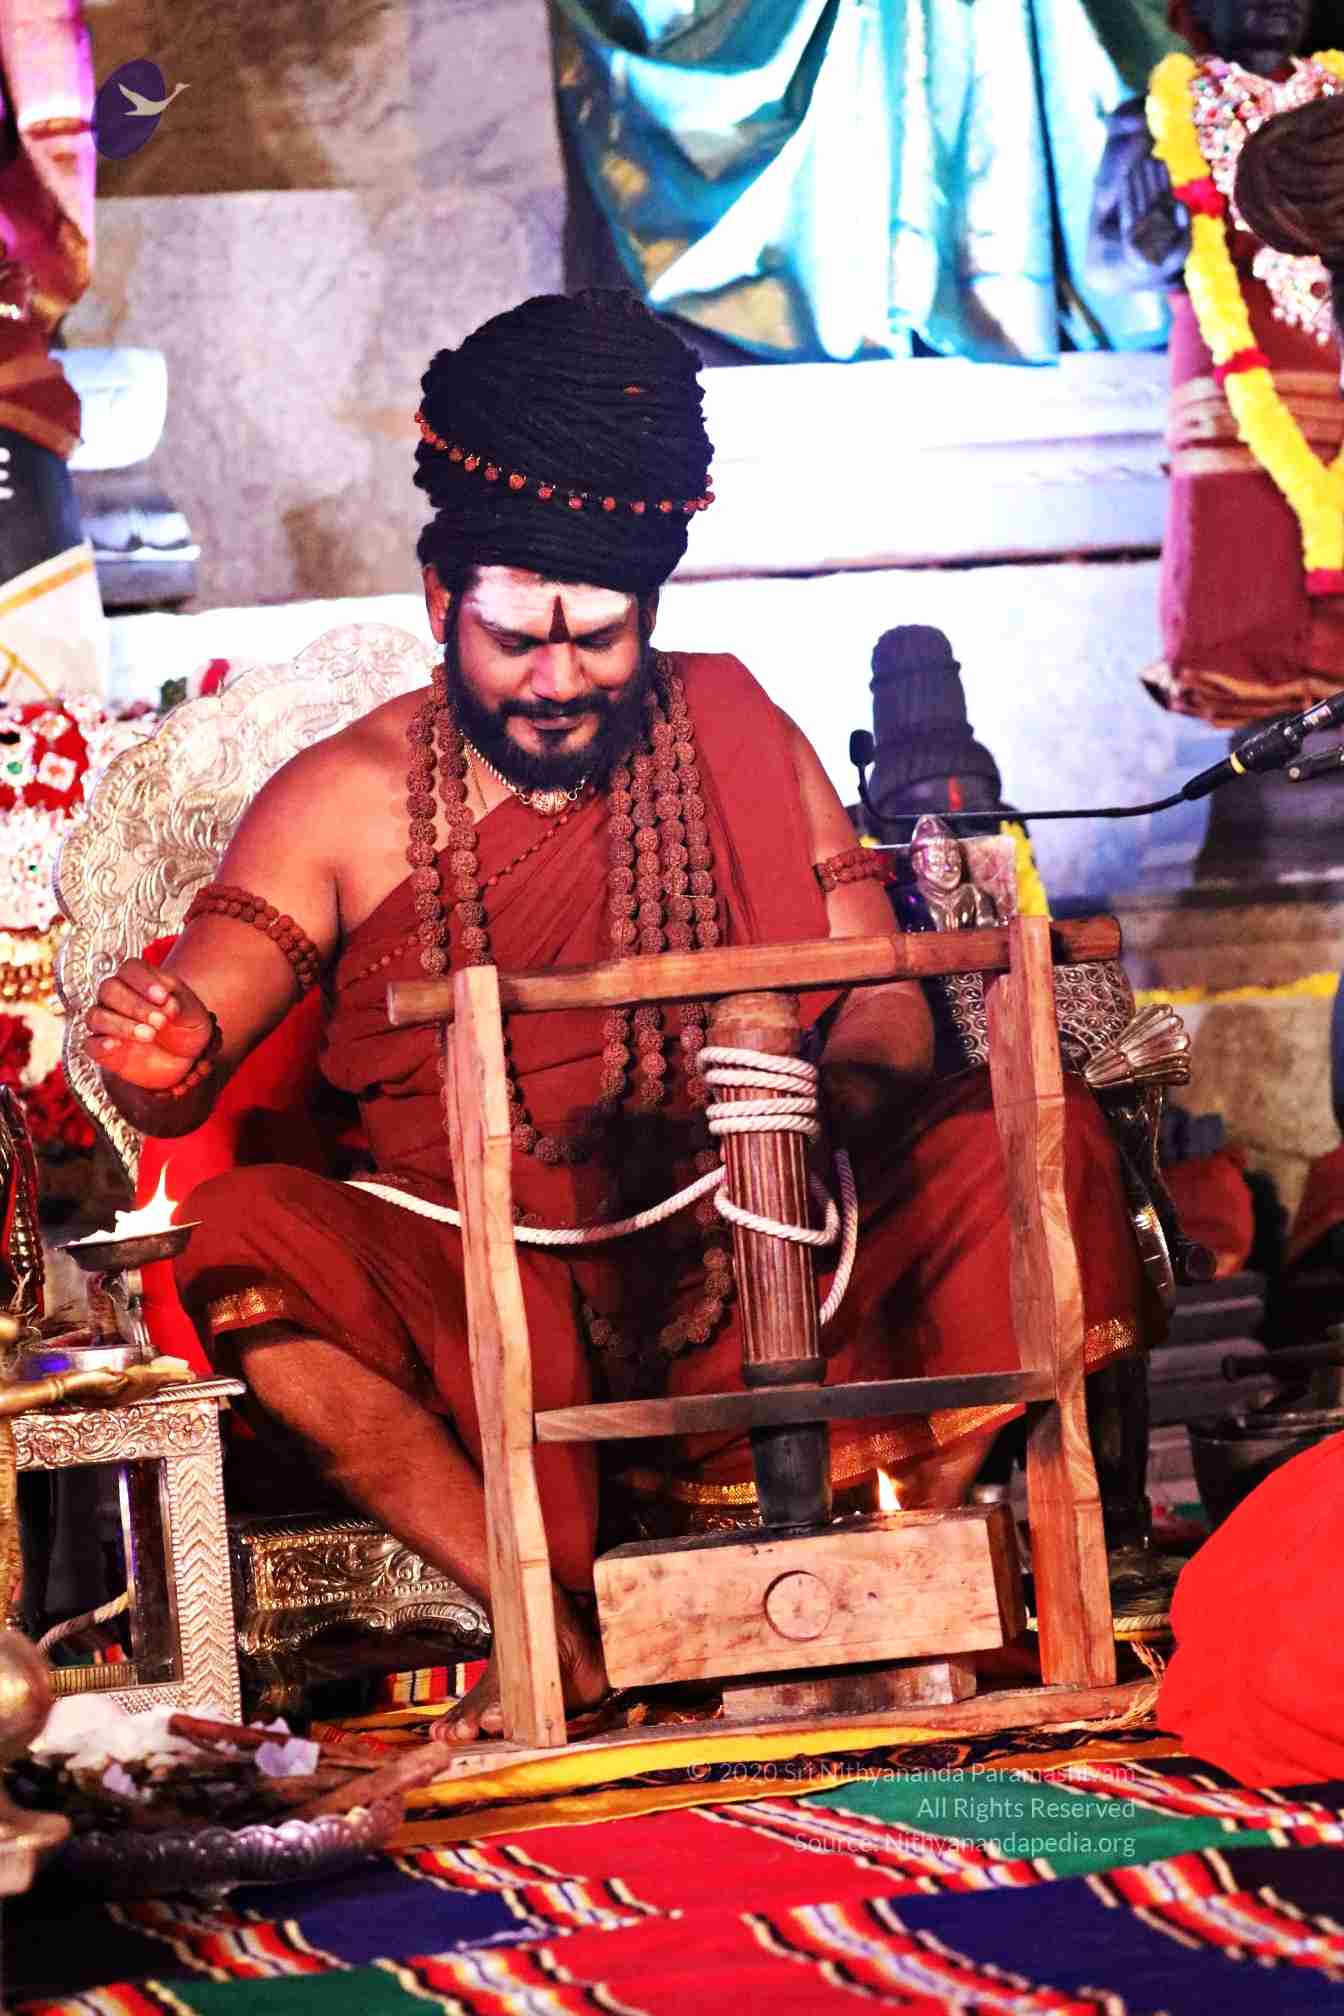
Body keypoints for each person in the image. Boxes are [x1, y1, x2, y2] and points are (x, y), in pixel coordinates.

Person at [83, 291, 1151, 1742]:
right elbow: (183, 1048)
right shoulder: (342, 798)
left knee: (1035, 1142)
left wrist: (803, 1111)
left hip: (774, 1245)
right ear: (439, 601)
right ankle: (553, 1635)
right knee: (244, 1233)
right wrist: (159, 1052)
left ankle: (891, 1564)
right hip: (478, 1281)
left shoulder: (731, 720)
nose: (557, 683)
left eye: (598, 640)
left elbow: (883, 999)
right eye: (516, 639)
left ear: (649, 612)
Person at [1086, 0, 1344, 728]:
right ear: (1199, 7)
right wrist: (1149, 250)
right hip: (1229, 372)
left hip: (1331, 352)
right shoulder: (1161, 110)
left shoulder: (1336, 100)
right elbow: (1104, 262)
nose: (1275, 3)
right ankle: (1257, 732)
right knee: (1240, 543)